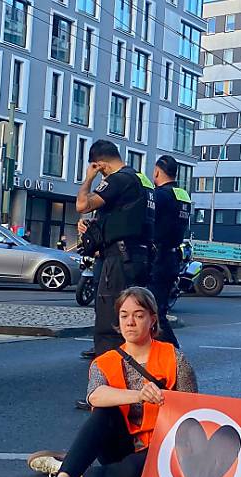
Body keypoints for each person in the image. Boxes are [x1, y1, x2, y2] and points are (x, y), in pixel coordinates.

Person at [21, 287, 198, 477]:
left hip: (160, 448)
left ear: (152, 319)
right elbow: (94, 395)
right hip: (119, 446)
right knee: (104, 412)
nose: (130, 322)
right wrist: (138, 395)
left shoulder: (175, 358)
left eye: (139, 315)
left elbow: (193, 411)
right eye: (124, 315)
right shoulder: (105, 361)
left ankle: (75, 469)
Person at [75, 139, 155, 358]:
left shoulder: (118, 179)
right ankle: (139, 361)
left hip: (119, 258)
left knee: (110, 316)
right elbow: (124, 216)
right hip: (139, 255)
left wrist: (88, 178)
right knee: (135, 311)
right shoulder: (141, 180)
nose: (100, 176)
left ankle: (110, 365)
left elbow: (82, 205)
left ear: (101, 164)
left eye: (98, 170)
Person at [147, 155, 191, 348]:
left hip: (158, 256)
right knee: (158, 309)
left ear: (157, 171)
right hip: (173, 257)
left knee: (155, 312)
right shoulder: (182, 195)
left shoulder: (159, 195)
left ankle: (174, 354)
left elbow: (148, 221)